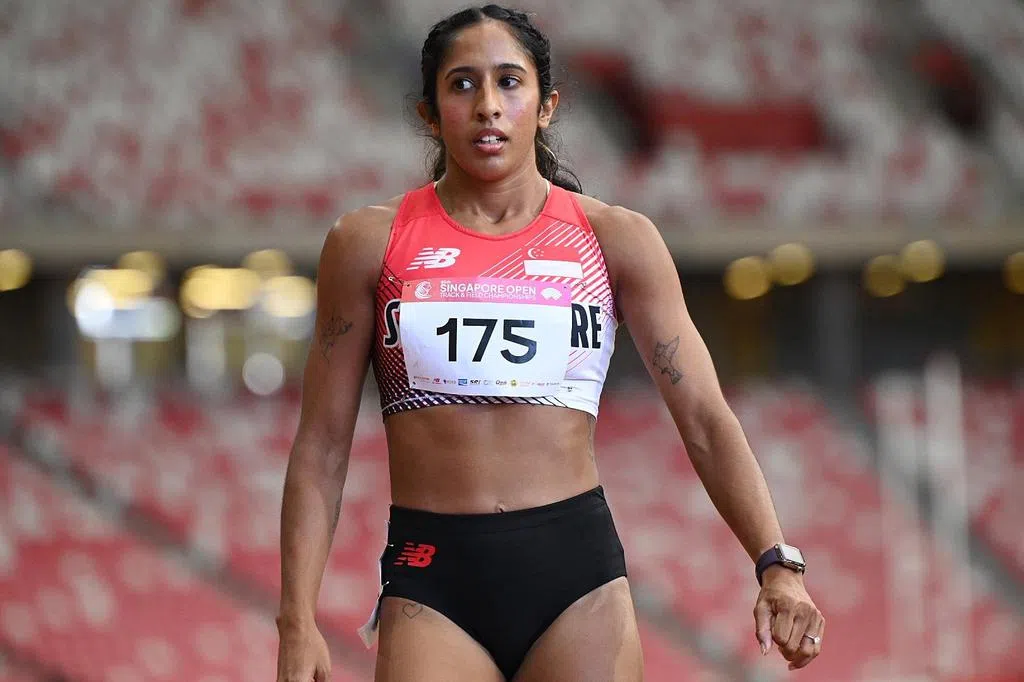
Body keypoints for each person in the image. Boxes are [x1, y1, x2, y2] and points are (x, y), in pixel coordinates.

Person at [276, 5, 824, 681]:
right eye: (462, 84)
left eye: (509, 82)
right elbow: (322, 444)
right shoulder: (368, 243)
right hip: (433, 576)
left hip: (576, 579)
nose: (488, 105)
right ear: (429, 114)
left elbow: (706, 417)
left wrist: (777, 564)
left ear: (546, 106)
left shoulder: (615, 239)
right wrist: (296, 620)